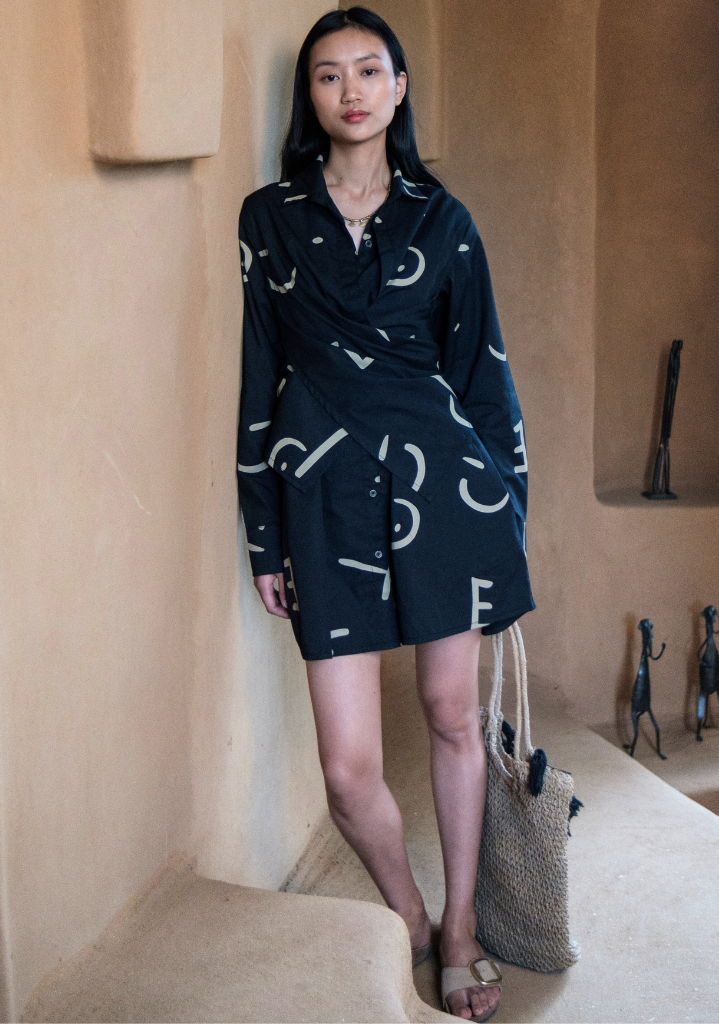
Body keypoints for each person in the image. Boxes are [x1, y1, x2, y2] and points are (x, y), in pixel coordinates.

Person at [236, 8, 534, 1020]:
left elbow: (484, 380)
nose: (351, 90)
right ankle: (409, 918)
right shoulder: (268, 219)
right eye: (329, 74)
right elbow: (258, 379)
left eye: (370, 70)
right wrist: (263, 530)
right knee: (347, 768)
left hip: (443, 495)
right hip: (322, 502)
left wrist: (506, 518)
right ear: (310, 96)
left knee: (452, 716)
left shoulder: (445, 223)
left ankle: (463, 926)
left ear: (399, 88)